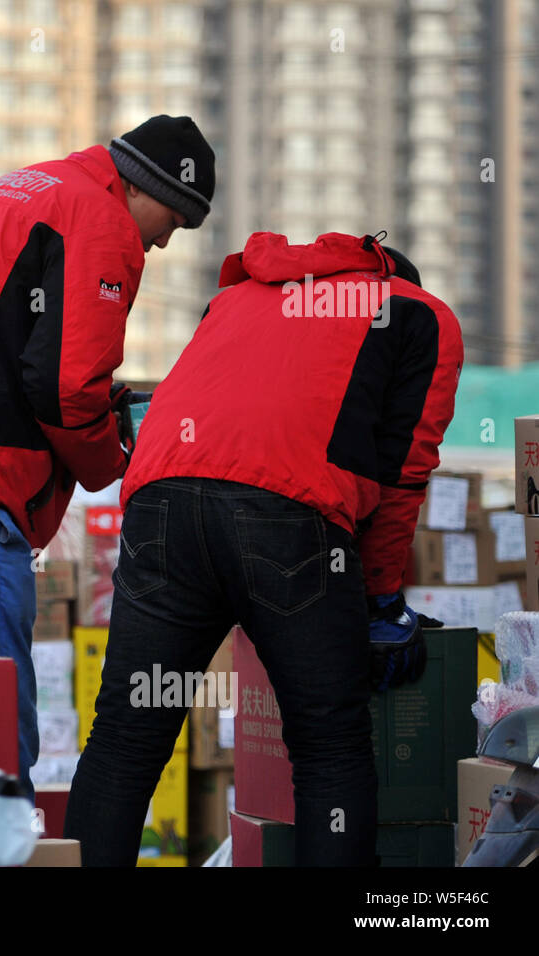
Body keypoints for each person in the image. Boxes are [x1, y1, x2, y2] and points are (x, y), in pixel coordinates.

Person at [63, 231, 463, 866]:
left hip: (160, 503)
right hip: (289, 516)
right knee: (329, 744)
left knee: (125, 733)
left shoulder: (239, 297)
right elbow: (404, 473)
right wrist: (382, 602)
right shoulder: (418, 312)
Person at [0, 115, 217, 794]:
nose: (164, 241)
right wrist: (113, 463)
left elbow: (12, 344)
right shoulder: (101, 219)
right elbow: (63, 385)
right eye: (170, 219)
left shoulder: (14, 191)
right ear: (139, 187)